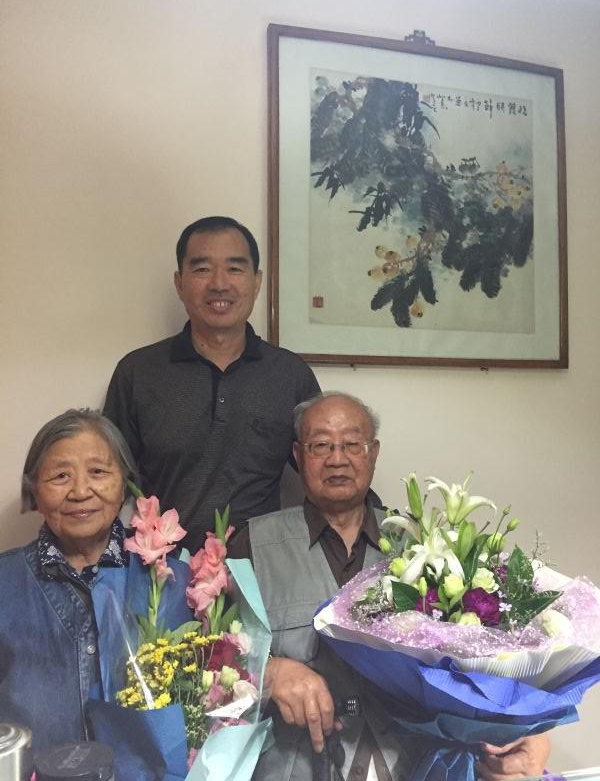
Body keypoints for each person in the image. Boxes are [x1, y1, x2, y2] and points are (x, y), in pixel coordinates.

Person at [228, 392, 551, 781]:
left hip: (414, 766)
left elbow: (478, 657)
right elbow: (209, 661)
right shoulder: (251, 546)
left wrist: (524, 728)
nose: (337, 458)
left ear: (374, 453)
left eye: (352, 444)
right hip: (293, 766)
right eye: (321, 445)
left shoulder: (423, 544)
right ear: (298, 456)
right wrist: (270, 672)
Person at [104, 216, 320, 553]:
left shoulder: (290, 374)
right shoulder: (138, 372)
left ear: (257, 281)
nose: (219, 284)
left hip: (261, 569)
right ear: (179, 282)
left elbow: (327, 469)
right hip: (162, 571)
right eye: (202, 269)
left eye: (234, 269)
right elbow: (107, 481)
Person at [0, 409, 190, 754]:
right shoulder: (5, 581)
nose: (80, 491)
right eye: (60, 476)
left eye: (98, 472)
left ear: (124, 484)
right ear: (35, 490)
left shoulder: (170, 578)